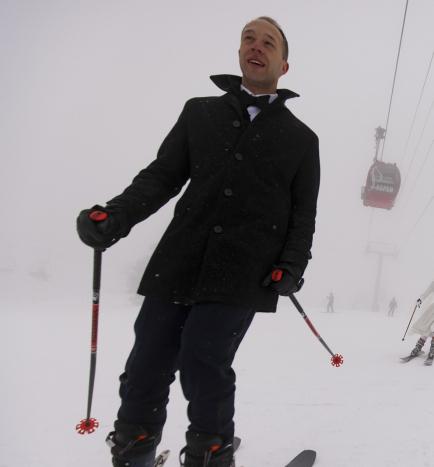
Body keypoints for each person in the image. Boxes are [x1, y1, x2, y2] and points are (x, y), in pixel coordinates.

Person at [76, 17, 320, 467]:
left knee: (203, 359)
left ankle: (209, 453)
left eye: (269, 43)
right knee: (146, 362)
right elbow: (162, 177)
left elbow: (303, 214)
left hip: (245, 270)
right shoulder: (200, 112)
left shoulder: (302, 139)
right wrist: (115, 215)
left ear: (284, 66)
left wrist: (293, 264)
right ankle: (135, 449)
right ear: (240, 50)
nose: (257, 46)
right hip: (179, 258)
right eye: (249, 38)